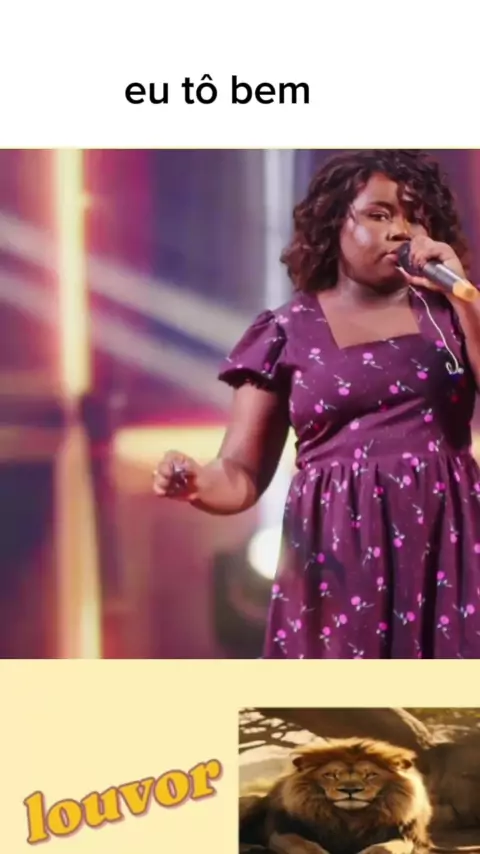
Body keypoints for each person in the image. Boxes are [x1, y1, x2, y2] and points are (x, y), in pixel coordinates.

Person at [154, 149, 480, 659]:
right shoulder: (285, 332)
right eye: (379, 214)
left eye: (415, 217)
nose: (401, 230)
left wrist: (464, 297)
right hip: (337, 558)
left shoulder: (451, 315)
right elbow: (240, 473)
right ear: (334, 222)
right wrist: (195, 481)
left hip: (449, 545)